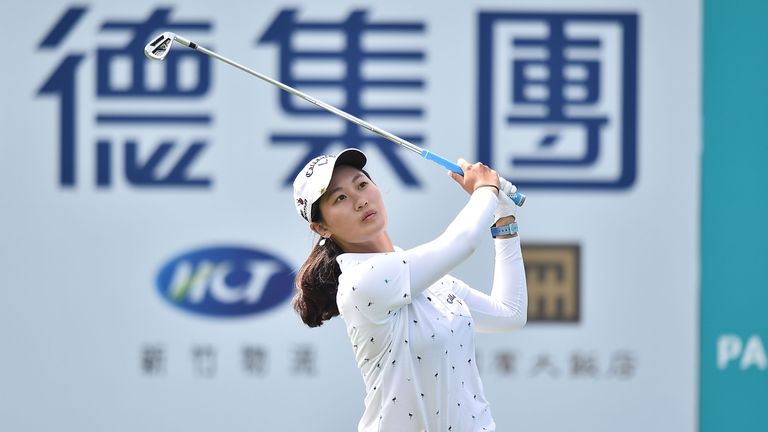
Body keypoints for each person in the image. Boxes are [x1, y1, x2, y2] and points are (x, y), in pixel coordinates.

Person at [292, 148, 527, 432]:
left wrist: (504, 218)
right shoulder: (361, 281)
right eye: (340, 198)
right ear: (321, 228)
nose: (360, 200)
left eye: (362, 184)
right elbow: (463, 241)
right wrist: (486, 189)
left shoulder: (421, 276)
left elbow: (509, 314)